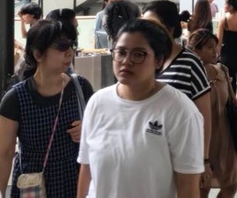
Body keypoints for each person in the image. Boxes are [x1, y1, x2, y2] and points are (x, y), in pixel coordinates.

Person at [76, 19, 203, 198]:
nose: (126, 61)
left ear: (158, 61)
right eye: (120, 52)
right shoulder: (97, 102)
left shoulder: (179, 110)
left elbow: (188, 188)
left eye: (138, 54)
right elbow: (86, 168)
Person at [0, 19, 94, 198]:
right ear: (38, 54)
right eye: (62, 46)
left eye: (71, 45)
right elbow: (4, 153)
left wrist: (87, 130)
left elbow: (100, 135)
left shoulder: (81, 86)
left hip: (74, 181)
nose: (69, 52)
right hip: (33, 185)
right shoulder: (15, 98)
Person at [142, 0, 213, 186]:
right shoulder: (144, 59)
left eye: (152, 24)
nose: (146, 30)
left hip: (181, 152)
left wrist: (204, 159)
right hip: (148, 152)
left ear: (170, 28)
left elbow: (204, 115)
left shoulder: (190, 62)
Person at [188, 30, 237, 198]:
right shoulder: (189, 76)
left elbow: (232, 103)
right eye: (210, 48)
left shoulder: (222, 71)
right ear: (195, 50)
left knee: (231, 184)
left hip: (225, 138)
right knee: (202, 188)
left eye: (217, 47)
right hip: (200, 141)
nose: (216, 52)